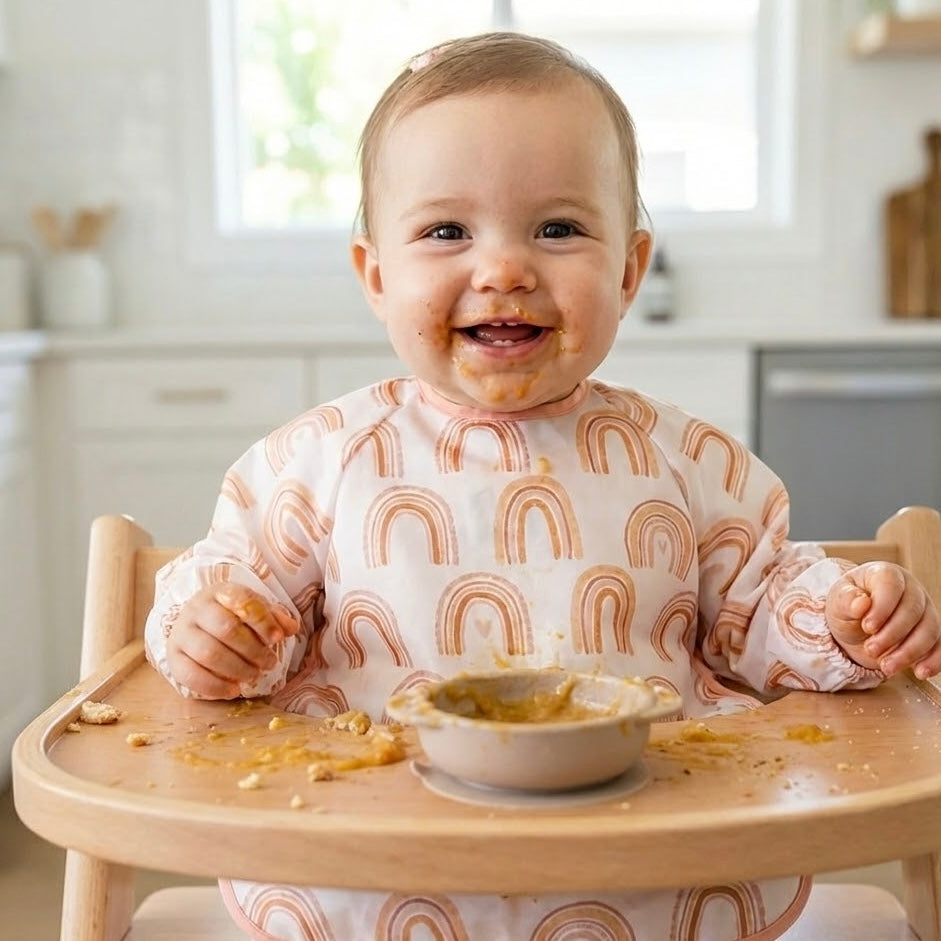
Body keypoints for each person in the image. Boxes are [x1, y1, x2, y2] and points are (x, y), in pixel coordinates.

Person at [144, 31, 941, 941]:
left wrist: (842, 616)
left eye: (557, 229)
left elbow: (763, 610)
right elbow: (224, 594)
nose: (504, 269)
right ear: (376, 274)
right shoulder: (317, 463)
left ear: (630, 269)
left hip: (645, 877)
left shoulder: (688, 462)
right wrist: (211, 630)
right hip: (378, 877)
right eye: (446, 231)